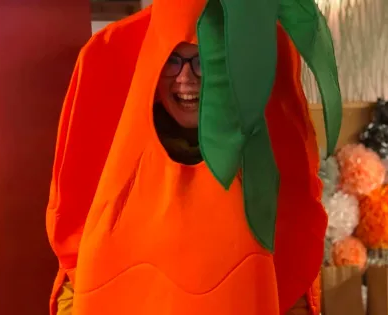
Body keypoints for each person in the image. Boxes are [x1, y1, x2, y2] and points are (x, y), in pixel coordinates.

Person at [46, 0, 342, 314]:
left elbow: (291, 272)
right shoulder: (116, 167)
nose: (186, 78)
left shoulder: (263, 167)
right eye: (172, 60)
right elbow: (76, 276)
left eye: (204, 59)